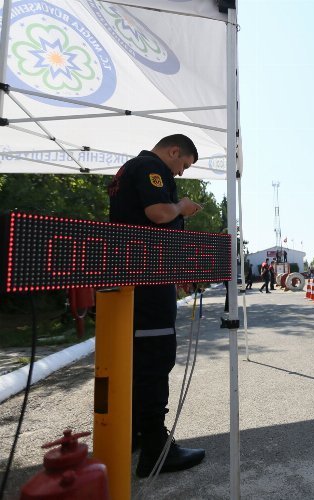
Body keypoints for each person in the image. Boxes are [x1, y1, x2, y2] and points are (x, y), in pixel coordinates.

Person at [108, 134, 206, 477]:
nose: (179, 173)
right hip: (148, 281)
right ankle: (156, 450)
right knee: (155, 356)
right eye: (183, 165)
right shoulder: (152, 167)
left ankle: (135, 433)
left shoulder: (128, 168)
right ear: (173, 151)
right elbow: (159, 213)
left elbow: (144, 223)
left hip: (133, 276)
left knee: (138, 360)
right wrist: (182, 206)